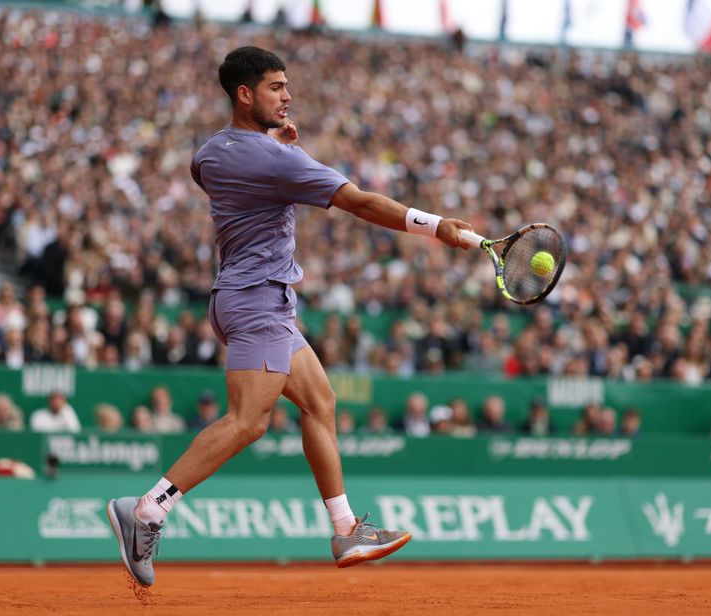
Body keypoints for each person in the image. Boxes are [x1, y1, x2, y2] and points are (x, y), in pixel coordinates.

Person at [107, 45, 473, 586]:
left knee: (320, 401)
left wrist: (273, 146)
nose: (288, 96)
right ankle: (147, 510)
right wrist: (435, 225)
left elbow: (210, 172)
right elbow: (360, 201)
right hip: (257, 299)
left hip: (249, 299)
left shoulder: (211, 151)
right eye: (276, 87)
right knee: (248, 421)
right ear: (245, 94)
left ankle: (346, 528)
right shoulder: (276, 160)